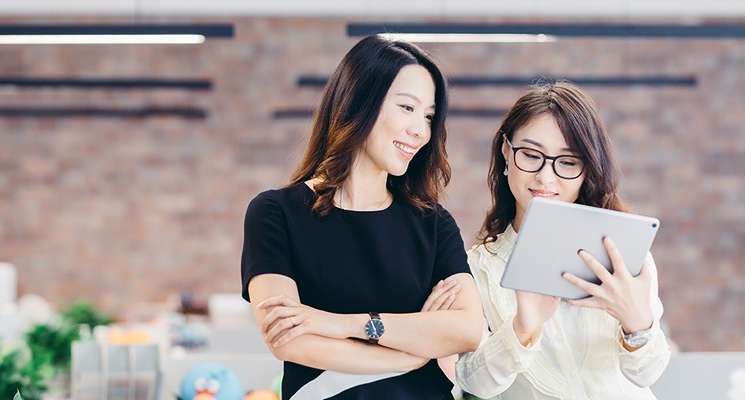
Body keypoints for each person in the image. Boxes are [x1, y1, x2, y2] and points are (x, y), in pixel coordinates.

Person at [241, 34, 483, 400]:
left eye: (429, 116)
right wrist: (412, 351)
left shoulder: (432, 223)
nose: (420, 130)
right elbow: (289, 340)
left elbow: (466, 329)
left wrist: (343, 325)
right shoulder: (276, 213)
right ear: (358, 102)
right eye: (407, 107)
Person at [456, 81, 671, 399]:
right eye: (530, 155)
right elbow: (474, 383)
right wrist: (522, 329)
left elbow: (647, 374)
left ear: (588, 169)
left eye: (568, 162)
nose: (545, 177)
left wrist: (636, 322)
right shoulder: (478, 267)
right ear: (505, 150)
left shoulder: (620, 250)